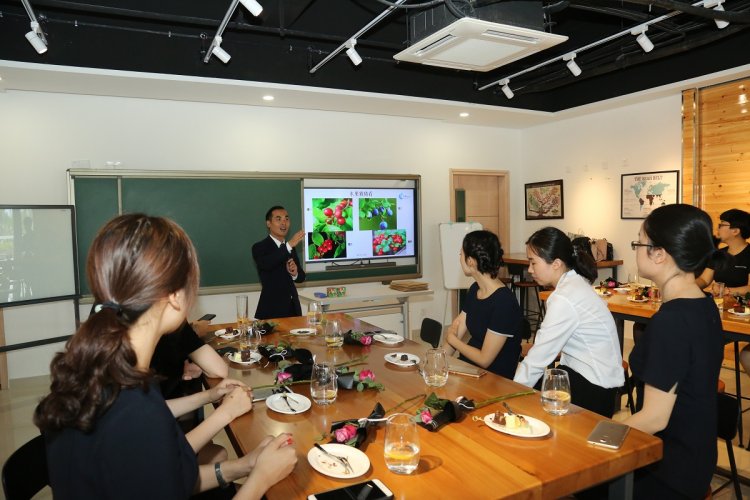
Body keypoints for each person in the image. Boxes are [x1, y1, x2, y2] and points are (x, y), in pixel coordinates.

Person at [34, 214, 296, 499]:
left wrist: (243, 465)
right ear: (174, 296)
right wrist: (260, 479)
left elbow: (160, 472)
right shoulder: (138, 413)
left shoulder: (101, 373)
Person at [623, 204, 724, 498]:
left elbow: (654, 418)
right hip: (696, 456)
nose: (636, 250)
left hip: (667, 471)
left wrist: (599, 436)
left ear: (659, 254)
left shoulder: (671, 321)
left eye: (638, 243)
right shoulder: (705, 305)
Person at [513, 227, 623, 417]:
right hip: (593, 377)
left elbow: (539, 357)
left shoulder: (564, 297)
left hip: (595, 387)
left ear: (556, 263)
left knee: (528, 404)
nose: (529, 269)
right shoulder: (574, 283)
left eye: (533, 262)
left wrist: (510, 394)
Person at [443, 230, 523, 378]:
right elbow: (458, 327)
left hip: (494, 378)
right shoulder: (475, 289)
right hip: (470, 369)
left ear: (470, 261)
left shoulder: (504, 302)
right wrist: (438, 361)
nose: (459, 258)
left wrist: (452, 339)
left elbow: (484, 359)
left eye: (461, 254)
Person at [252, 206, 306, 319]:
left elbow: (301, 277)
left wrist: (295, 273)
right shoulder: (259, 247)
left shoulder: (290, 248)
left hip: (293, 309)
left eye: (286, 219)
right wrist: (289, 245)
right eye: (278, 219)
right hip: (272, 311)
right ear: (268, 223)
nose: (284, 223)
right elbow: (266, 264)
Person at [695, 208, 750, 296]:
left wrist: (725, 290)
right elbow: (704, 280)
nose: (717, 229)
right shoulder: (718, 254)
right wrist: (687, 286)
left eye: (721, 225)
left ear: (735, 231)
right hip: (720, 302)